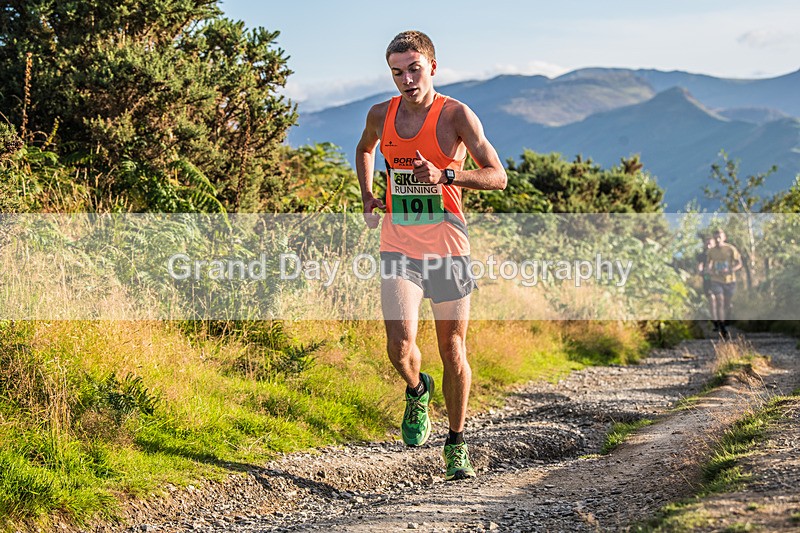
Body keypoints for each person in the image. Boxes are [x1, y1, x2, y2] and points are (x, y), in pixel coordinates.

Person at [355, 30, 507, 481]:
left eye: (414, 69)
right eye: (397, 72)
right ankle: (417, 389)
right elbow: (365, 149)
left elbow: (498, 176)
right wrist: (367, 193)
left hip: (448, 247)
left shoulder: (456, 115)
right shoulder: (380, 114)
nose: (406, 79)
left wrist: (446, 174)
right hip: (398, 243)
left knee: (452, 348)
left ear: (433, 68)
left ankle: (457, 443)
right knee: (400, 347)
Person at [706, 229, 742, 339]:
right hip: (716, 280)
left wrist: (731, 270)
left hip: (730, 280)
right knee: (719, 301)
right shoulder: (711, 252)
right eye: (715, 238)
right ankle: (722, 326)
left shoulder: (730, 249)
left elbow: (739, 263)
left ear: (724, 237)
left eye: (719, 237)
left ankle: (727, 317)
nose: (717, 240)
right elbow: (709, 265)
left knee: (727, 303)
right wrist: (711, 271)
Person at [696, 234, 718, 331]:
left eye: (710, 243)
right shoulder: (701, 255)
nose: (708, 246)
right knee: (712, 300)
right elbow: (699, 266)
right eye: (706, 244)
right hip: (707, 280)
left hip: (720, 280)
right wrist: (700, 271)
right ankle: (716, 322)